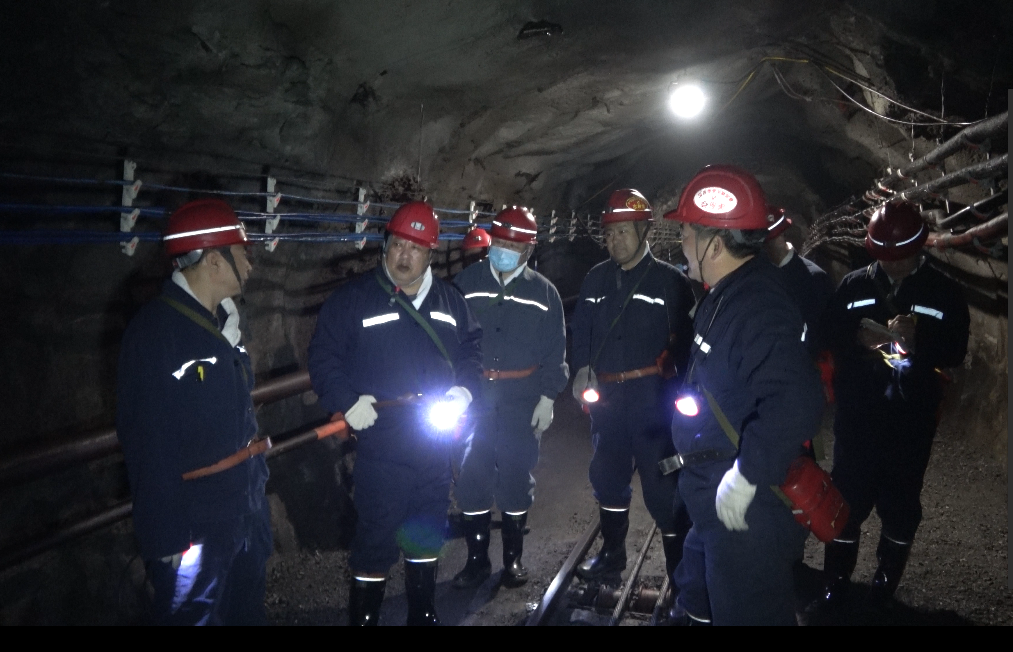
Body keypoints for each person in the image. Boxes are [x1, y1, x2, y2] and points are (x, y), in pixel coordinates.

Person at [307, 201, 483, 626]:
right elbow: (324, 356)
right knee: (376, 536)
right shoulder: (353, 300)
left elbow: (471, 350)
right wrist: (347, 401)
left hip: (434, 447)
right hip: (382, 447)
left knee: (426, 528)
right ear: (385, 245)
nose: (405, 256)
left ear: (431, 253)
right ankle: (365, 619)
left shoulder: (451, 301)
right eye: (399, 245)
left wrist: (465, 389)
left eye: (416, 248)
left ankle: (423, 612)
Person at [664, 165, 824, 625]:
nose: (681, 244)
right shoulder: (726, 294)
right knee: (697, 595)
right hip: (713, 498)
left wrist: (747, 475)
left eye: (686, 234)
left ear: (715, 244)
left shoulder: (758, 305)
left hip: (748, 512)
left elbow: (797, 400)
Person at [117, 199, 270, 625]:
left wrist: (256, 494)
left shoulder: (226, 324)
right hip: (195, 523)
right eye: (242, 253)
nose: (250, 264)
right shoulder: (155, 334)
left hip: (243, 508)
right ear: (215, 261)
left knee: (246, 613)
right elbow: (145, 438)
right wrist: (163, 533)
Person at [815, 201, 969, 612]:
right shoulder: (853, 285)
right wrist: (857, 339)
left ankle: (884, 586)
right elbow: (827, 334)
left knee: (901, 504)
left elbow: (956, 349)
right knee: (846, 501)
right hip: (858, 418)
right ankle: (836, 582)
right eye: (885, 256)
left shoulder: (944, 291)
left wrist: (921, 341)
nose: (894, 264)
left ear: (919, 248)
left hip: (910, 421)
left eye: (902, 256)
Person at [570, 188, 695, 586]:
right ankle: (611, 556)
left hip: (653, 402)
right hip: (608, 401)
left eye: (623, 231)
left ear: (644, 231)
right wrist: (581, 369)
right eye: (609, 233)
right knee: (607, 477)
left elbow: (688, 342)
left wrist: (684, 389)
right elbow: (581, 332)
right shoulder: (596, 279)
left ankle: (679, 574)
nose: (615, 240)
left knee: (663, 489)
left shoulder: (671, 282)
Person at [451, 207, 568, 589]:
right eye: (499, 242)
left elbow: (555, 350)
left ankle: (512, 560)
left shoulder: (544, 293)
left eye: (513, 246)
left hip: (522, 400)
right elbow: (449, 340)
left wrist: (548, 397)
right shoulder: (465, 283)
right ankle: (476, 561)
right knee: (471, 475)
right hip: (474, 401)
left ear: (529, 249)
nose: (503, 250)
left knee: (516, 476)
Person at [763, 209, 835, 358]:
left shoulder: (814, 279)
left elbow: (824, 337)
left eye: (765, 242)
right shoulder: (760, 277)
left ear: (781, 237)